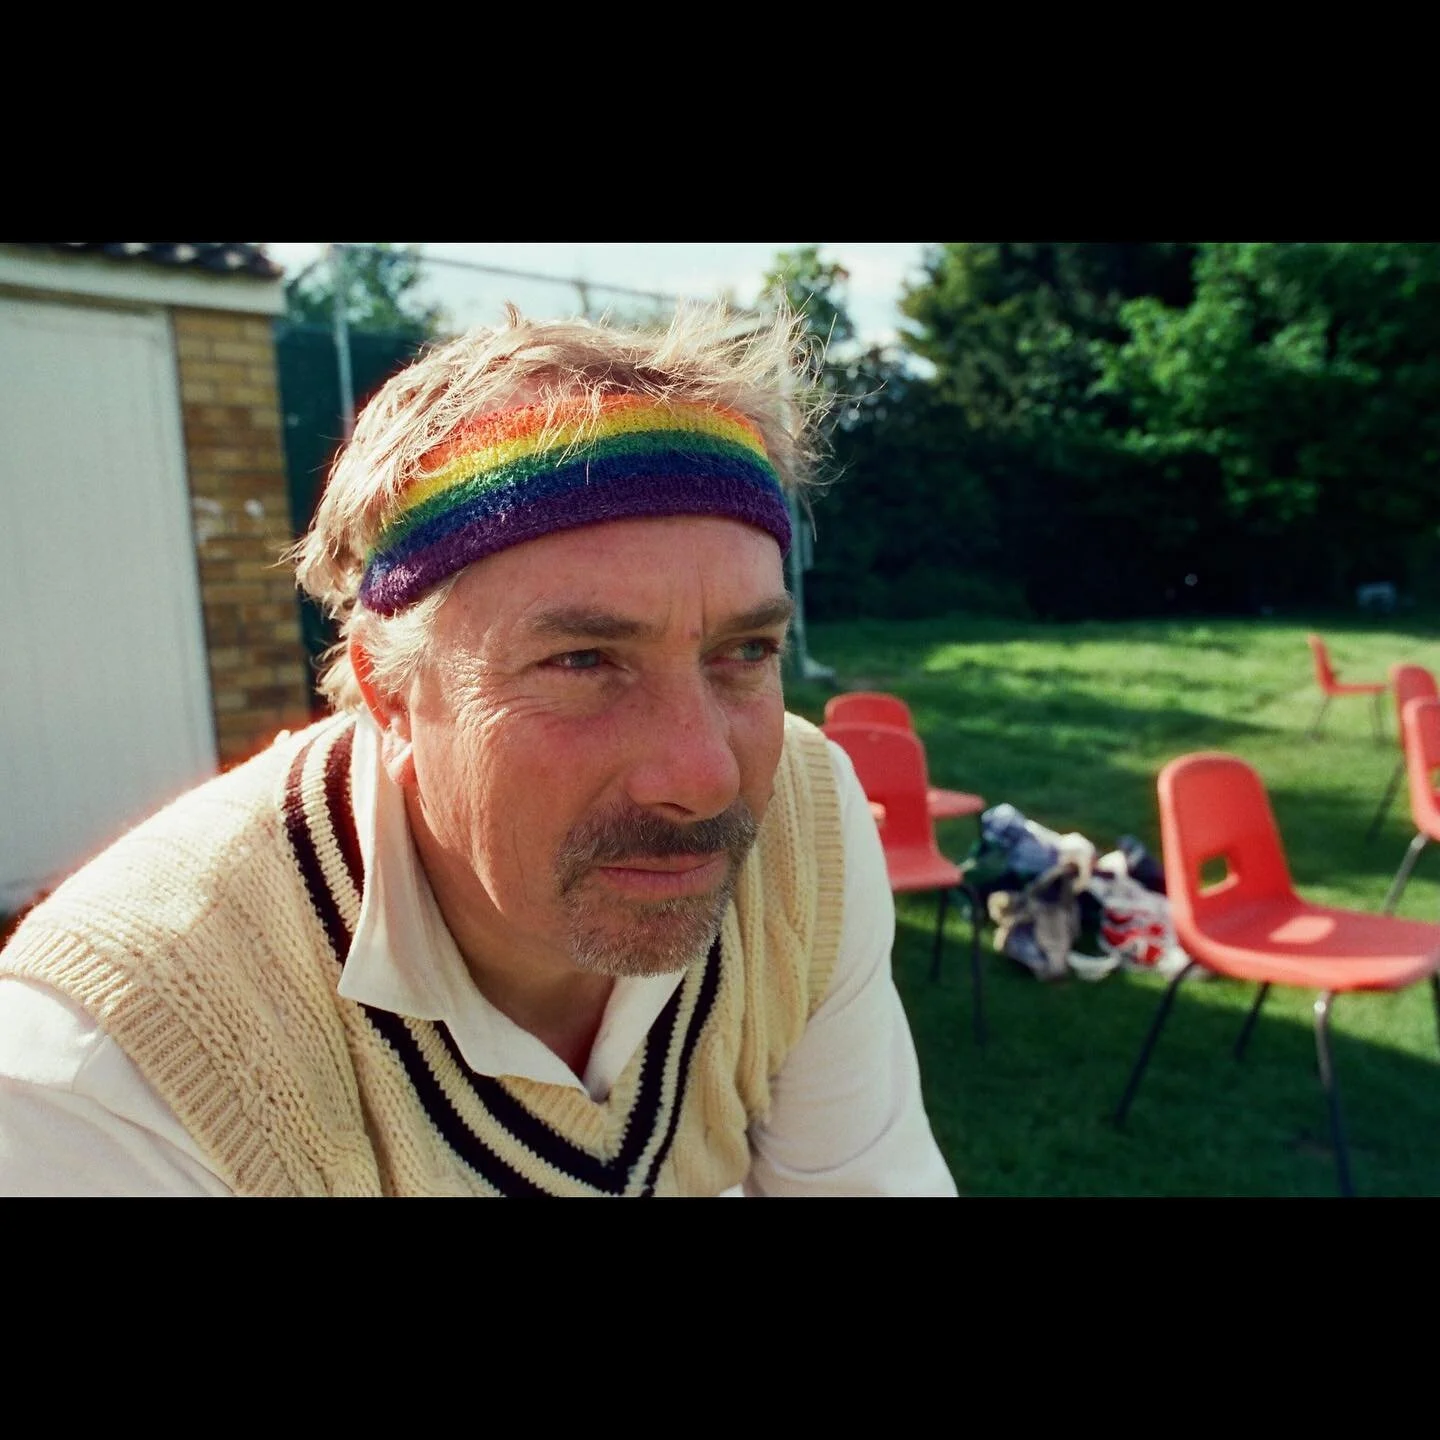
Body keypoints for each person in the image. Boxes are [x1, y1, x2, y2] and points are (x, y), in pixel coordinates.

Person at [0, 298, 958, 1197]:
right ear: (392, 696)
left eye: (743, 651)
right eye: (584, 660)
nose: (707, 778)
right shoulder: (107, 1056)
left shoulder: (804, 819)